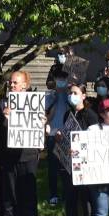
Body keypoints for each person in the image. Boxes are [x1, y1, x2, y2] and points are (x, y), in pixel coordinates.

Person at [0, 70, 40, 216]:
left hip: (28, 157)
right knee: (10, 198)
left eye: (15, 83)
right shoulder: (3, 104)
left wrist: (42, 123)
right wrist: (3, 118)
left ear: (24, 85)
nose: (11, 85)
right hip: (9, 158)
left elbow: (38, 129)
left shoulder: (34, 104)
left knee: (28, 198)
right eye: (10, 83)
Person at [55, 82, 100, 216]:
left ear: (83, 96)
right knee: (70, 199)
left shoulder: (90, 115)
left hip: (85, 165)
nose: (71, 95)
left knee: (86, 199)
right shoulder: (68, 114)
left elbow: (95, 140)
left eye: (75, 92)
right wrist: (61, 137)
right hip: (68, 164)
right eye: (69, 93)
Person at [44, 65, 71, 206]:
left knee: (66, 168)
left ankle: (67, 194)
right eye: (58, 78)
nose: (61, 81)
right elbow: (45, 116)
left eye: (63, 79)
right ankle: (53, 194)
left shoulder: (70, 96)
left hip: (67, 136)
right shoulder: (49, 97)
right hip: (53, 135)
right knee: (53, 167)